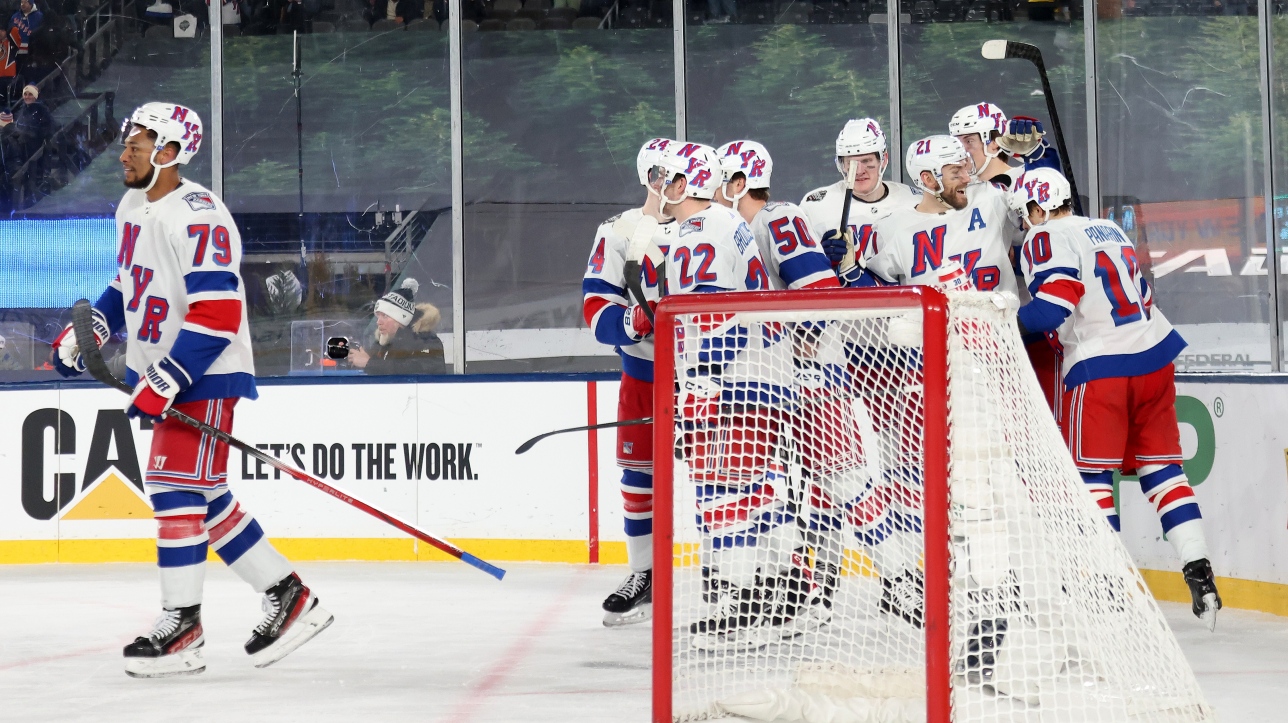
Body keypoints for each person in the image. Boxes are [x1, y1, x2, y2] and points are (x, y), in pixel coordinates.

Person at [48, 102, 332, 678]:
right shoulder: (133, 204)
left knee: (176, 488)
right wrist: (91, 332)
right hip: (171, 374)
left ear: (171, 153)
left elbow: (220, 312)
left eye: (139, 142)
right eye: (128, 141)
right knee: (199, 493)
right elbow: (127, 283)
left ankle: (184, 624)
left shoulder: (199, 214)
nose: (125, 150)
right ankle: (286, 594)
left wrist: (165, 378)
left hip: (204, 372)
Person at [1011, 167, 1222, 628]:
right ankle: (1198, 567)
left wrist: (1000, 321)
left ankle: (1105, 581)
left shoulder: (1043, 236)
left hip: (1101, 364)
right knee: (1163, 469)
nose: (1026, 225)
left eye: (1026, 215)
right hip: (1154, 355)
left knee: (1091, 477)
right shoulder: (1107, 227)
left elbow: (1053, 307)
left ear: (1037, 208)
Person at [582, 137, 676, 627]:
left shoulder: (708, 225)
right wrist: (631, 323)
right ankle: (645, 574)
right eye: (658, 174)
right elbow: (595, 306)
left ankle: (737, 578)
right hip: (644, 375)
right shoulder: (618, 230)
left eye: (675, 173)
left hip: (713, 375)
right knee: (640, 477)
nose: (667, 183)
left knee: (726, 481)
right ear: (646, 177)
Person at [950, 101, 1066, 411]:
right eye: (956, 142)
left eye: (969, 141)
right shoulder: (958, 192)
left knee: (1039, 418)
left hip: (1028, 323)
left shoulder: (1023, 179)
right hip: (973, 333)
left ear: (992, 140)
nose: (961, 150)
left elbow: (1052, 224)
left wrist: (1041, 157)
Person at [800, 118, 919, 279]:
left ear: (883, 160)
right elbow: (802, 272)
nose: (859, 171)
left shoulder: (913, 201)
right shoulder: (816, 205)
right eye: (851, 163)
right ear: (841, 164)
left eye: (867, 161)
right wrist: (820, 259)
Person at [347, 278, 446, 375]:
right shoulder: (383, 344)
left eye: (385, 316)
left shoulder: (427, 341)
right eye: (378, 316)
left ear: (401, 318)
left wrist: (369, 363)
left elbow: (416, 371)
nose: (378, 322)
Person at [8, 0, 42, 71]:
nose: (23, 4)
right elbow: (9, 33)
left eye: (25, 2)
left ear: (31, 3)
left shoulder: (39, 17)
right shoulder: (15, 16)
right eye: (21, 2)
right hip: (16, 54)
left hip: (32, 54)